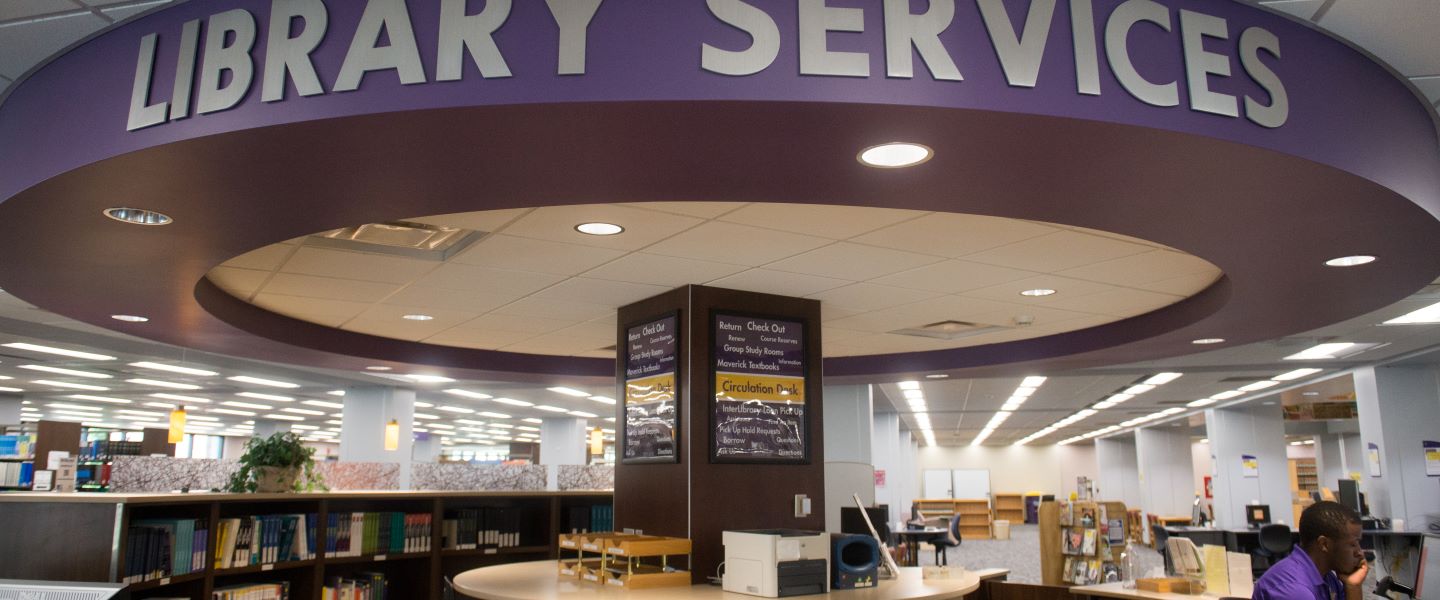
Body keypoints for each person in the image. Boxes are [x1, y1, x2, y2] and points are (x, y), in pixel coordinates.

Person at [1253, 501, 1368, 600]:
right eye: (1353, 544)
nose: (1359, 552)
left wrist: (1353, 587)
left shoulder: (1326, 575)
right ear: (1324, 544)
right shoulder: (1294, 590)